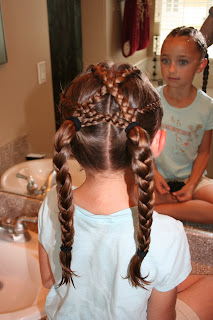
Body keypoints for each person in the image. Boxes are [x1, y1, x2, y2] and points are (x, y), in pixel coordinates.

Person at [38, 61, 212, 320]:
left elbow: (49, 279)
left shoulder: (54, 202)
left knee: (171, 278)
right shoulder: (166, 235)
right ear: (156, 143)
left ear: (71, 143)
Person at [154, 27, 213, 224]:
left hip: (192, 179)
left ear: (200, 65)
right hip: (156, 178)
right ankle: (178, 206)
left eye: (182, 62)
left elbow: (204, 152)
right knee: (128, 199)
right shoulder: (152, 99)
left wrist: (191, 185)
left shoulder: (207, 106)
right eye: (165, 60)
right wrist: (153, 174)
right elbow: (140, 145)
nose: (171, 69)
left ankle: (163, 209)